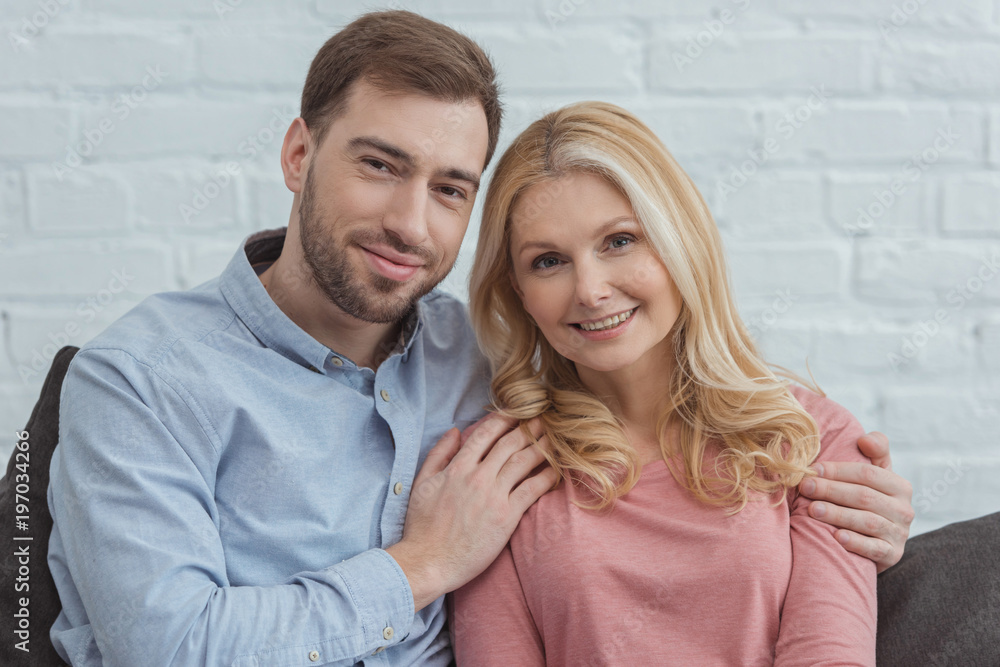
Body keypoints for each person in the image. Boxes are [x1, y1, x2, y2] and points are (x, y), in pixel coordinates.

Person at [45, 10, 910, 666]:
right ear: (299, 154)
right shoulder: (141, 378)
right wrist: (420, 564)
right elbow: (163, 644)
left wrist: (872, 517)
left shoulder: (483, 364)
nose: (408, 222)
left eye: (451, 188)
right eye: (379, 164)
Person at [453, 101, 884, 665]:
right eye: (549, 261)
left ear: (678, 238)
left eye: (619, 241)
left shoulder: (814, 440)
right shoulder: (498, 469)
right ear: (517, 291)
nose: (590, 290)